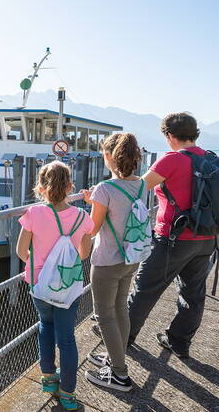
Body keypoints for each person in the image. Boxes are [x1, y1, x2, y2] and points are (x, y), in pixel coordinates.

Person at [127, 112, 217, 358]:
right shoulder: (209, 158)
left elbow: (137, 188)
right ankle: (178, 341)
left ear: (169, 135)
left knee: (145, 288)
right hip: (206, 238)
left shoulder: (172, 160)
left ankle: (122, 337)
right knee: (193, 293)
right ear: (194, 133)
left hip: (173, 239)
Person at [16, 161, 94, 411]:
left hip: (40, 284)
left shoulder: (33, 214)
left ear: (40, 187)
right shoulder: (82, 216)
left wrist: (40, 268)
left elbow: (20, 251)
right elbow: (83, 253)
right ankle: (68, 394)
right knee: (67, 338)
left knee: (45, 326)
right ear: (70, 186)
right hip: (68, 286)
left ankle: (49, 377)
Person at [81, 133, 144, 392]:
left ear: (109, 157)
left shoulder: (105, 188)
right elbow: (120, 210)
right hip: (131, 257)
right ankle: (113, 357)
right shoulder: (140, 184)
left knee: (105, 315)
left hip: (107, 261)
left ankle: (119, 374)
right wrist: (94, 201)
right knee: (121, 309)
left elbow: (93, 228)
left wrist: (91, 205)